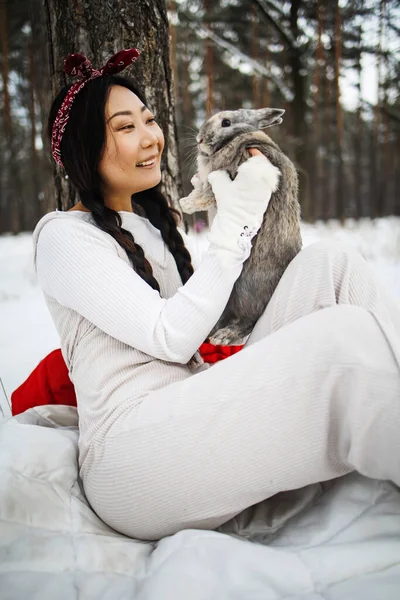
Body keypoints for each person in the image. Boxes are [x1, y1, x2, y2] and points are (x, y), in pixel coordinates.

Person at [33, 48, 400, 542]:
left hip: (187, 413)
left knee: (330, 264)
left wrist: (255, 200)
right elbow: (170, 337)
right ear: (83, 147)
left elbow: (201, 324)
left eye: (150, 119)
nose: (151, 137)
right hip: (132, 460)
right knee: (344, 340)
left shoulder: (150, 228)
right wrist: (235, 222)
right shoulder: (63, 236)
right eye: (125, 127)